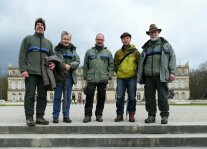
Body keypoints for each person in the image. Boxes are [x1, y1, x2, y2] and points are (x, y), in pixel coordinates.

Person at [19, 18, 55, 126]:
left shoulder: (48, 43)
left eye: (42, 25)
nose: (40, 26)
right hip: (31, 73)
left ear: (44, 28)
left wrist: (53, 64)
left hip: (44, 74)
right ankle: (29, 117)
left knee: (42, 96)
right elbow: (22, 55)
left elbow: (52, 57)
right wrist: (23, 69)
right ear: (35, 27)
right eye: (38, 25)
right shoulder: (28, 39)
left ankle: (40, 117)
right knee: (30, 95)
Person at [138, 24, 176, 124]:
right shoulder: (146, 47)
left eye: (155, 31)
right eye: (151, 32)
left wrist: (172, 72)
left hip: (161, 75)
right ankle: (151, 115)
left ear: (158, 32)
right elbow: (141, 62)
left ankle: (164, 115)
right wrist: (140, 75)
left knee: (163, 96)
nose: (153, 33)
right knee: (149, 97)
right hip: (148, 76)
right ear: (149, 34)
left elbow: (172, 57)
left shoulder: (165, 44)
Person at [82, 33, 114, 123]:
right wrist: (85, 76)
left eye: (101, 39)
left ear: (104, 40)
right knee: (89, 97)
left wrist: (109, 75)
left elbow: (111, 65)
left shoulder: (108, 53)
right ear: (95, 40)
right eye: (98, 39)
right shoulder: (89, 52)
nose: (100, 41)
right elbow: (85, 65)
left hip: (103, 79)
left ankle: (99, 115)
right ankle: (87, 115)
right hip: (91, 78)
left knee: (101, 97)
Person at [52, 31, 80, 123]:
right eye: (64, 39)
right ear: (61, 39)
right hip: (59, 76)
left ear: (70, 40)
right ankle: (55, 116)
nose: (66, 41)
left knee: (68, 98)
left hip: (69, 77)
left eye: (68, 39)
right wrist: (62, 65)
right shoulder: (56, 50)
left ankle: (66, 116)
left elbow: (77, 61)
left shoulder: (73, 51)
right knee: (57, 96)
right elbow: (54, 59)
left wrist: (70, 65)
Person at [114, 32, 140, 122]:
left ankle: (131, 115)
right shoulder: (118, 52)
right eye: (124, 38)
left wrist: (134, 72)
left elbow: (139, 64)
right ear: (121, 40)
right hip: (121, 77)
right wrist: (119, 71)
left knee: (132, 97)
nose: (125, 40)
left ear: (130, 39)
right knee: (120, 97)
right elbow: (116, 64)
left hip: (132, 77)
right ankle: (119, 115)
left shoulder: (136, 52)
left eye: (127, 38)